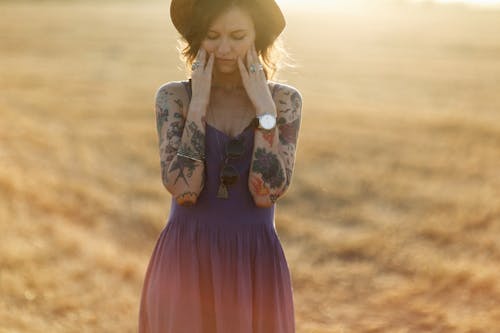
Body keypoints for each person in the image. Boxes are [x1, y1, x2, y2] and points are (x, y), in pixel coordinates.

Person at [138, 0, 302, 332]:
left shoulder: (284, 102)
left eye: (238, 35)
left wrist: (264, 110)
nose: (224, 48)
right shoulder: (174, 98)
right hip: (186, 260)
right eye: (212, 35)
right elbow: (185, 191)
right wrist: (198, 104)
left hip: (254, 263)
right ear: (197, 39)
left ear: (258, 39)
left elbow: (265, 193)